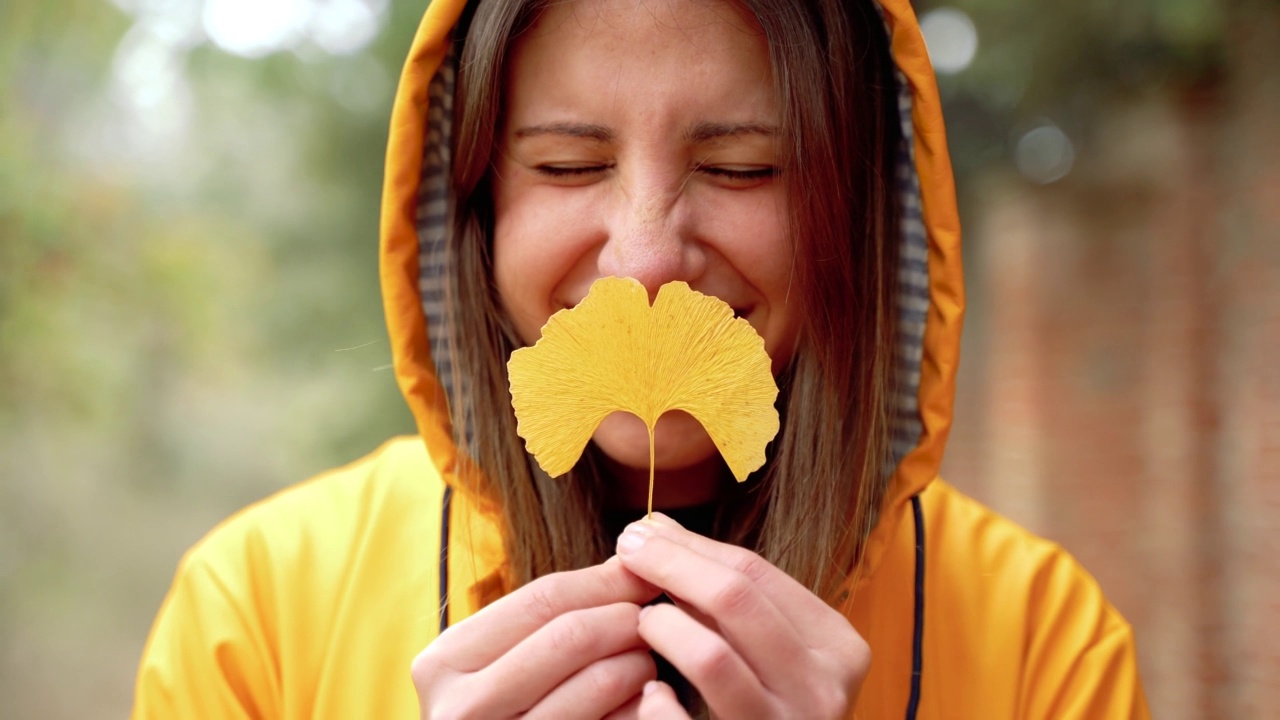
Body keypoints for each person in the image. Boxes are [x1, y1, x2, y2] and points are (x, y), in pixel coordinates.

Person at [131, 0, 1151, 717]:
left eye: (740, 167)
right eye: (567, 165)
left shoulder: (1039, 645)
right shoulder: (254, 611)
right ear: (475, 209)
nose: (647, 256)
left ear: (855, 215)